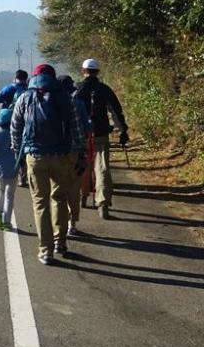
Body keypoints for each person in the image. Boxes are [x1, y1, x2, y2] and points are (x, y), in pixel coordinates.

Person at [11, 64, 86, 265]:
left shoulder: (24, 97)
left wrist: (19, 154)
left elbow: (15, 128)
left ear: (34, 78)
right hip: (61, 156)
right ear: (52, 77)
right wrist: (78, 154)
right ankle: (60, 241)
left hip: (35, 156)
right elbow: (77, 128)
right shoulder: (65, 98)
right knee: (59, 198)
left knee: (40, 203)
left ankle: (46, 251)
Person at [75, 58, 129, 220]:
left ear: (83, 71)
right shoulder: (104, 89)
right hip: (101, 134)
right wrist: (123, 131)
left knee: (82, 166)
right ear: (97, 72)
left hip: (81, 135)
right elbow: (115, 112)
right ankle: (103, 203)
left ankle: (83, 195)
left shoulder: (77, 89)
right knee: (102, 168)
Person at [59, 74, 92, 236]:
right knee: (74, 190)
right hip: (75, 153)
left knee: (59, 191)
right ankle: (72, 224)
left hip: (57, 154)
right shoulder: (78, 103)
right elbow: (86, 129)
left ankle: (60, 224)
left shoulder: (52, 102)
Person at [0, 69, 30, 187]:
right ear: (25, 78)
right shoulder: (29, 89)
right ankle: (23, 176)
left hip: (9, 122)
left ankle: (9, 171)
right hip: (25, 122)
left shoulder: (9, 88)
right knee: (23, 147)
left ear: (15, 77)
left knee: (10, 146)